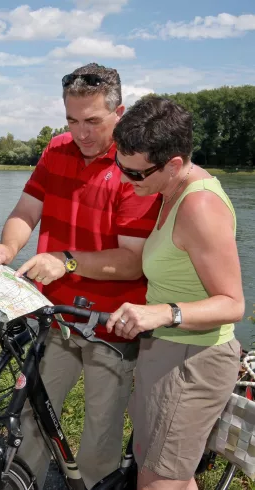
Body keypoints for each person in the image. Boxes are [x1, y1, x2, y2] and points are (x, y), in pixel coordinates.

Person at [0, 63, 161, 488]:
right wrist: (8, 247)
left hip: (111, 323)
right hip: (54, 313)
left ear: (118, 114)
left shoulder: (134, 165)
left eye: (93, 122)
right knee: (31, 418)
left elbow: (133, 261)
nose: (80, 133)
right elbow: (27, 210)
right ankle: (20, 482)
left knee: (100, 435)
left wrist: (64, 260)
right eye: (72, 120)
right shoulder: (57, 149)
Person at [106, 95, 244, 490]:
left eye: (135, 174)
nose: (124, 180)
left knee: (155, 481)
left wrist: (163, 313)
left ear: (174, 164)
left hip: (193, 360)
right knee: (173, 477)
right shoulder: (167, 190)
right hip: (167, 351)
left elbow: (233, 304)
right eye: (120, 165)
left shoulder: (199, 206)